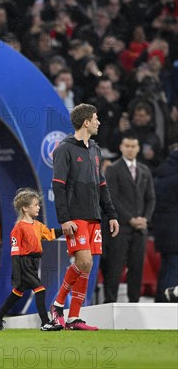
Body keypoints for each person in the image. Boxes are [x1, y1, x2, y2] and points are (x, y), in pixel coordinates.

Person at [50, 103, 119, 331]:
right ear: (86, 122)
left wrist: (111, 214)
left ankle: (74, 318)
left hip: (94, 216)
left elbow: (102, 184)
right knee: (85, 261)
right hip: (75, 215)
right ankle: (58, 304)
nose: (99, 122)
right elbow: (58, 186)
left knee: (87, 267)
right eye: (96, 118)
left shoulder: (95, 150)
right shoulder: (64, 149)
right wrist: (64, 218)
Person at [0, 188, 64, 331]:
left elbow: (50, 234)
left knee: (18, 292)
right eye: (35, 205)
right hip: (24, 263)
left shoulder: (38, 225)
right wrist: (16, 273)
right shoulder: (18, 228)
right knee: (40, 289)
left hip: (35, 262)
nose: (39, 207)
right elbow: (15, 252)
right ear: (25, 208)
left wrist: (64, 230)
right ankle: (45, 323)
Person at [103, 135, 155, 303]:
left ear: (138, 148)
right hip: (120, 228)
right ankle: (110, 303)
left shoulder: (144, 170)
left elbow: (150, 198)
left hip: (140, 229)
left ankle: (134, 305)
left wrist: (145, 219)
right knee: (115, 268)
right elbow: (112, 198)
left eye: (133, 146)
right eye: (127, 146)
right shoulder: (113, 169)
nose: (130, 149)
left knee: (137, 269)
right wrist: (130, 219)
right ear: (121, 147)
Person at [151, 143, 178, 302]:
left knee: (166, 268)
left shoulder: (161, 174)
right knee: (173, 271)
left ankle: (159, 302)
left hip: (162, 232)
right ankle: (167, 305)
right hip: (175, 232)